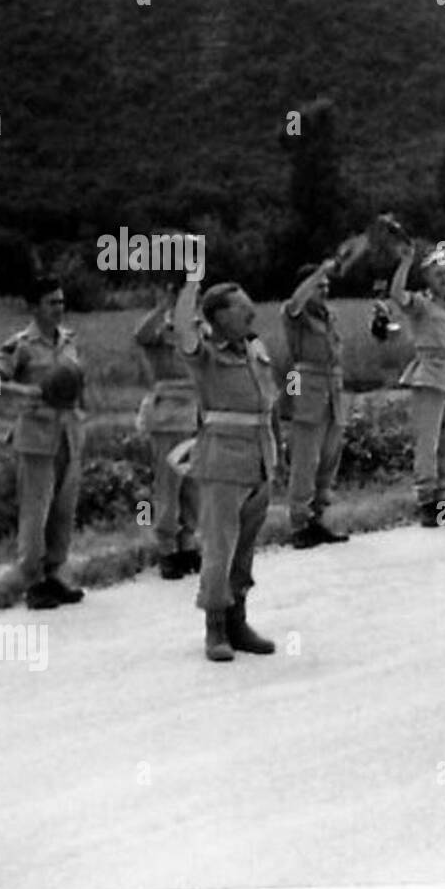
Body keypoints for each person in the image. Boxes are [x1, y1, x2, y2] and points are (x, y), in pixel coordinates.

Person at [175, 276, 280, 662]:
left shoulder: (254, 350)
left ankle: (239, 622)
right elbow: (183, 323)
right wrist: (191, 281)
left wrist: (276, 455)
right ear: (217, 317)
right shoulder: (204, 353)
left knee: (245, 549)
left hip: (258, 460)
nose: (251, 310)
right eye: (240, 306)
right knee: (219, 547)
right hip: (222, 462)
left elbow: (270, 407)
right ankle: (215, 627)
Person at [0, 275, 87, 610]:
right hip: (36, 436)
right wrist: (22, 390)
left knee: (63, 509)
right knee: (35, 511)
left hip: (69, 434)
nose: (59, 308)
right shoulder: (21, 345)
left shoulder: (70, 340)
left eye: (61, 301)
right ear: (34, 307)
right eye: (51, 302)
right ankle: (33, 580)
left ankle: (56, 573)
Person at [282, 234, 367, 549]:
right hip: (309, 391)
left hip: (333, 392)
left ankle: (318, 517)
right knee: (306, 459)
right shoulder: (295, 316)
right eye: (319, 286)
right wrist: (321, 270)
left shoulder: (328, 317)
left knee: (329, 459)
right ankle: (299, 522)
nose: (326, 288)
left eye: (326, 286)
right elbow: (295, 302)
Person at [388, 232, 445, 527]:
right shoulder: (421, 305)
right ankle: (426, 500)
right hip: (430, 376)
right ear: (427, 277)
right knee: (429, 442)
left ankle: (444, 502)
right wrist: (405, 263)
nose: (444, 279)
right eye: (438, 274)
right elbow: (397, 295)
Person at [134, 278, 201, 579]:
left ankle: (188, 542)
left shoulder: (199, 327)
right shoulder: (160, 327)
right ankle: (166, 549)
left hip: (197, 413)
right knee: (168, 485)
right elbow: (141, 335)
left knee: (193, 485)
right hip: (168, 415)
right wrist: (165, 308)